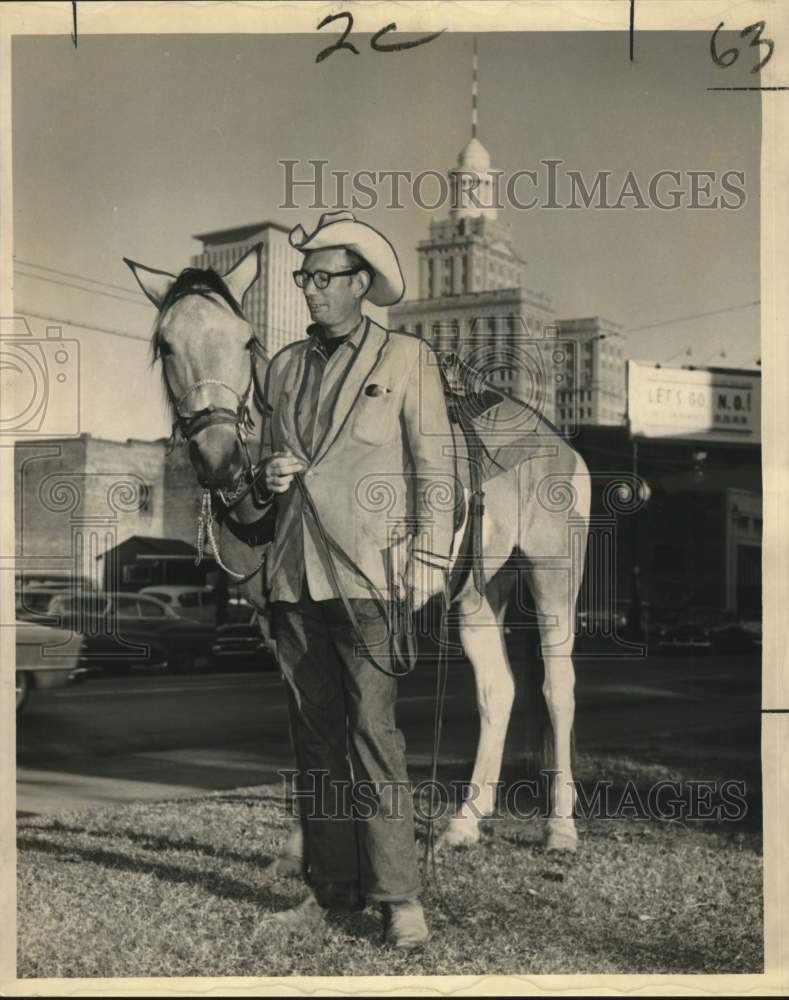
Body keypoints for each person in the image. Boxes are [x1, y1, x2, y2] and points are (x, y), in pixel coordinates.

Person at [258, 211, 456, 949]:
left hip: (371, 577)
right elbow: (259, 466)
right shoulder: (281, 367)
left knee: (374, 736)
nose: (310, 290)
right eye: (304, 277)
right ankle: (330, 889)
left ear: (361, 284)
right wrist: (267, 472)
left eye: (324, 278)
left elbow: (435, 465)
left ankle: (399, 898)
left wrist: (431, 560)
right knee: (315, 743)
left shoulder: (405, 357)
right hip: (291, 578)